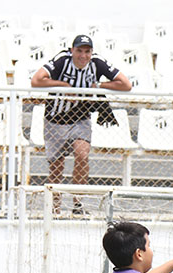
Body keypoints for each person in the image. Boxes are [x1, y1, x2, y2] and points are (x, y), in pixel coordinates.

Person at [31, 35, 132, 213]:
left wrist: (99, 86)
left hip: (80, 118)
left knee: (82, 155)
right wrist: (63, 86)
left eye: (87, 51)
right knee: (56, 167)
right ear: (72, 50)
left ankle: (78, 204)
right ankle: (55, 209)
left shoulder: (97, 62)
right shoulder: (62, 60)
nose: (83, 56)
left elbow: (126, 84)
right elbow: (36, 80)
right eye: (79, 51)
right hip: (56, 118)